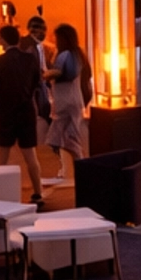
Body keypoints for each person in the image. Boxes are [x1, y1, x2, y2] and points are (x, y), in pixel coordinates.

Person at [0, 24, 45, 206]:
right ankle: (38, 192)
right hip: (26, 111)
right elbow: (37, 81)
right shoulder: (30, 59)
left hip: (5, 112)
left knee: (3, 153)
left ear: (4, 39)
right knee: (30, 155)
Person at [46, 20, 92, 182]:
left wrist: (48, 75)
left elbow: (64, 74)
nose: (54, 40)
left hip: (65, 102)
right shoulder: (78, 54)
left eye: (56, 37)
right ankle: (76, 169)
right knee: (70, 138)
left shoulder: (65, 55)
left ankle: (78, 168)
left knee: (59, 139)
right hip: (74, 100)